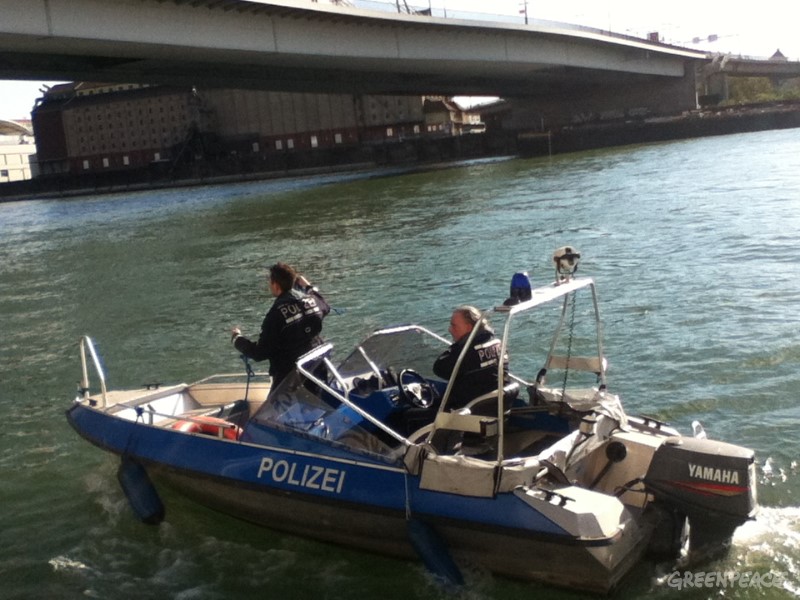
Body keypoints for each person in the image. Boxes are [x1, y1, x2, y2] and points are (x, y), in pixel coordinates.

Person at [231, 262, 330, 388]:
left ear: (276, 285)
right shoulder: (312, 300)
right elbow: (325, 306)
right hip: (317, 371)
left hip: (290, 380)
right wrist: (307, 286)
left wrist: (237, 338)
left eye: (270, 282)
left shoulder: (275, 315)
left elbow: (260, 353)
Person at [432, 305, 508, 411]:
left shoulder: (467, 352)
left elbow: (439, 368)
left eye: (454, 326)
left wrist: (458, 345)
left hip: (466, 411)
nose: (450, 330)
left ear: (469, 327)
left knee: (408, 414)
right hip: (494, 406)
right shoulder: (498, 343)